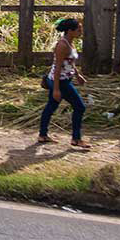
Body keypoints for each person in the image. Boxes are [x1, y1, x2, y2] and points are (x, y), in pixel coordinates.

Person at [38, 17, 89, 149]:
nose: (81, 31)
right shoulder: (62, 45)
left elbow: (70, 62)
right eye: (78, 29)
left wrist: (78, 75)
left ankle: (42, 135)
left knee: (51, 106)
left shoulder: (70, 42)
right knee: (80, 107)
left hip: (64, 79)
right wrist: (56, 89)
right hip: (60, 82)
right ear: (69, 31)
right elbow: (58, 67)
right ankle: (76, 139)